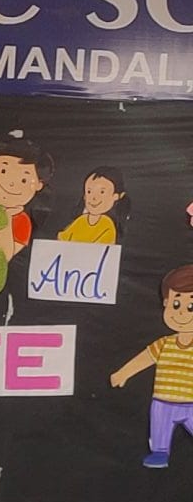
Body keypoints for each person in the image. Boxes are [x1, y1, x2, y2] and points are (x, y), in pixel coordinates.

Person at [110, 263, 193, 468]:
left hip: (191, 403)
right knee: (159, 428)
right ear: (166, 303)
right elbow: (146, 357)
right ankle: (160, 452)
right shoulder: (164, 343)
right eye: (176, 304)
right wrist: (123, 373)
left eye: (190, 307)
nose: (182, 313)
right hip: (163, 402)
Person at [58, 168, 130, 245]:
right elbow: (63, 237)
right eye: (89, 191)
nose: (94, 198)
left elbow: (100, 247)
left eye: (102, 192)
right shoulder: (81, 220)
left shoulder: (107, 224)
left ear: (115, 196)